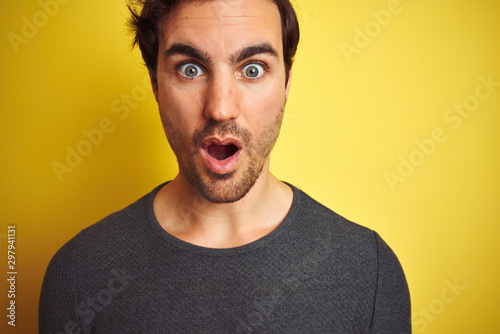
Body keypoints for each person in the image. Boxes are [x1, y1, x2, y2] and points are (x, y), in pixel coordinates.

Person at [39, 0, 411, 333]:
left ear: (286, 83)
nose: (220, 107)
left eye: (252, 70)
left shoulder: (368, 272)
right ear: (155, 84)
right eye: (189, 69)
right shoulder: (78, 276)